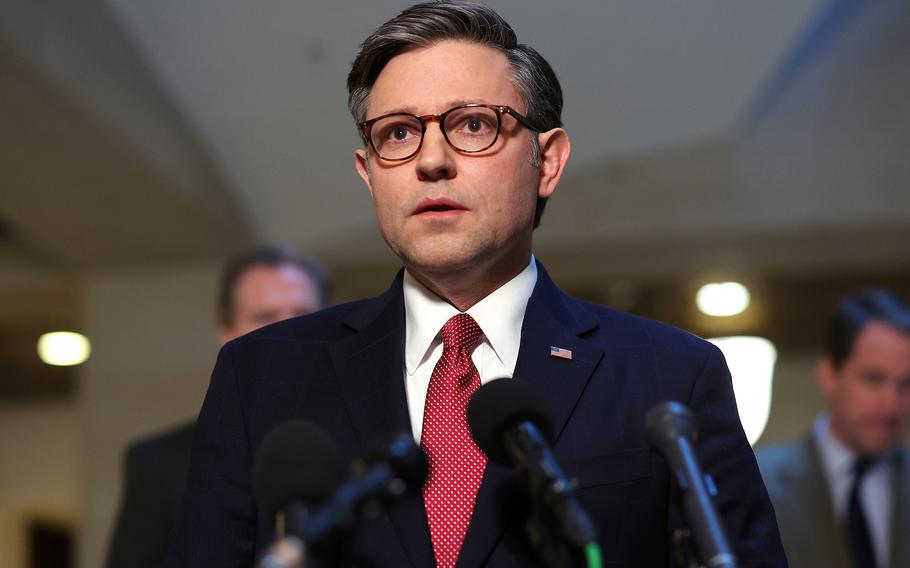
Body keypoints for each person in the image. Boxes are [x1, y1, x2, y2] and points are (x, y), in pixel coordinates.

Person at [166, 3, 786, 566]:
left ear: (547, 161)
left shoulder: (671, 377)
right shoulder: (261, 377)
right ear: (368, 174)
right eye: (398, 133)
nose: (431, 160)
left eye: (471, 125)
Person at [105, 245, 328, 568]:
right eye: (265, 318)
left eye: (303, 316)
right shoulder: (159, 462)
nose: (287, 334)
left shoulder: (376, 438)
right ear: (227, 337)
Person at [758, 289, 910, 568]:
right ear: (829, 375)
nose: (892, 406)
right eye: (874, 380)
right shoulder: (762, 481)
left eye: (905, 384)